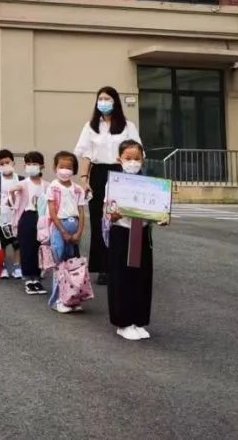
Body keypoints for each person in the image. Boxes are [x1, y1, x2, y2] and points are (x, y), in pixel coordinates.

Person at [75, 86, 140, 284]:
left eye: (107, 98)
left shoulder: (127, 126)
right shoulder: (91, 126)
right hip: (99, 174)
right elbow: (86, 154)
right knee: (99, 220)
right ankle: (103, 266)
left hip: (121, 173)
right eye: (100, 99)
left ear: (115, 101)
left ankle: (124, 263)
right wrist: (84, 179)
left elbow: (137, 151)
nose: (103, 102)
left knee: (122, 219)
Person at [104, 140, 163, 340]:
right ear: (119, 159)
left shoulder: (150, 184)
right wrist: (113, 215)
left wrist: (161, 217)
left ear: (143, 160)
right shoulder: (114, 183)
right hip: (122, 232)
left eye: (137, 158)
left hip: (142, 232)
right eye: (128, 158)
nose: (133, 162)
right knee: (122, 277)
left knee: (142, 277)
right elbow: (108, 213)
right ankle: (123, 323)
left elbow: (157, 209)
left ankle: (138, 320)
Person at [46, 150, 87, 313]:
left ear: (74, 169)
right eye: (61, 167)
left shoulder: (78, 189)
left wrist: (79, 232)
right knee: (59, 264)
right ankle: (58, 300)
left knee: (73, 265)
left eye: (69, 167)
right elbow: (52, 212)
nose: (65, 170)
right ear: (55, 168)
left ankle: (72, 299)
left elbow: (82, 212)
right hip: (59, 228)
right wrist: (63, 232)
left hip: (74, 225)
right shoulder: (53, 187)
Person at [14, 151, 47, 295]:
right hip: (27, 216)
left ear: (41, 166)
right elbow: (13, 202)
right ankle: (28, 278)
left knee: (39, 248)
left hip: (42, 218)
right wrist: (13, 192)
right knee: (27, 248)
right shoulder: (22, 184)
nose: (31, 166)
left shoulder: (47, 185)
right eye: (28, 163)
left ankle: (37, 278)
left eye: (34, 163)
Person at [0, 149, 22, 279]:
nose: (5, 165)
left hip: (17, 218)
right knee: (2, 244)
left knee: (18, 244)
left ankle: (17, 267)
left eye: (7, 162)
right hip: (2, 218)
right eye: (1, 164)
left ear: (13, 162)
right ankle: (2, 267)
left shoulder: (20, 180)